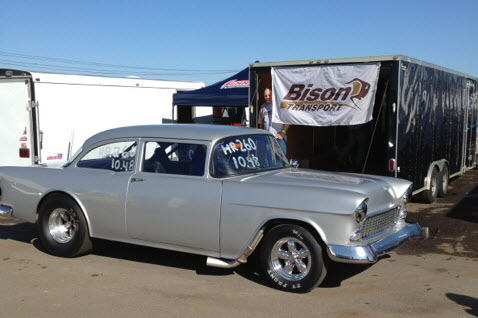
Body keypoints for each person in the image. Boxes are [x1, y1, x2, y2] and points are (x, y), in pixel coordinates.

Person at [258, 88, 289, 155]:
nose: (267, 97)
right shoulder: (263, 107)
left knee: (280, 163)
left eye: (269, 95)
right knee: (269, 163)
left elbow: (288, 119)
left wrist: (283, 133)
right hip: (267, 140)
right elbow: (261, 124)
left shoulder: (279, 104)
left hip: (278, 139)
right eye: (265, 96)